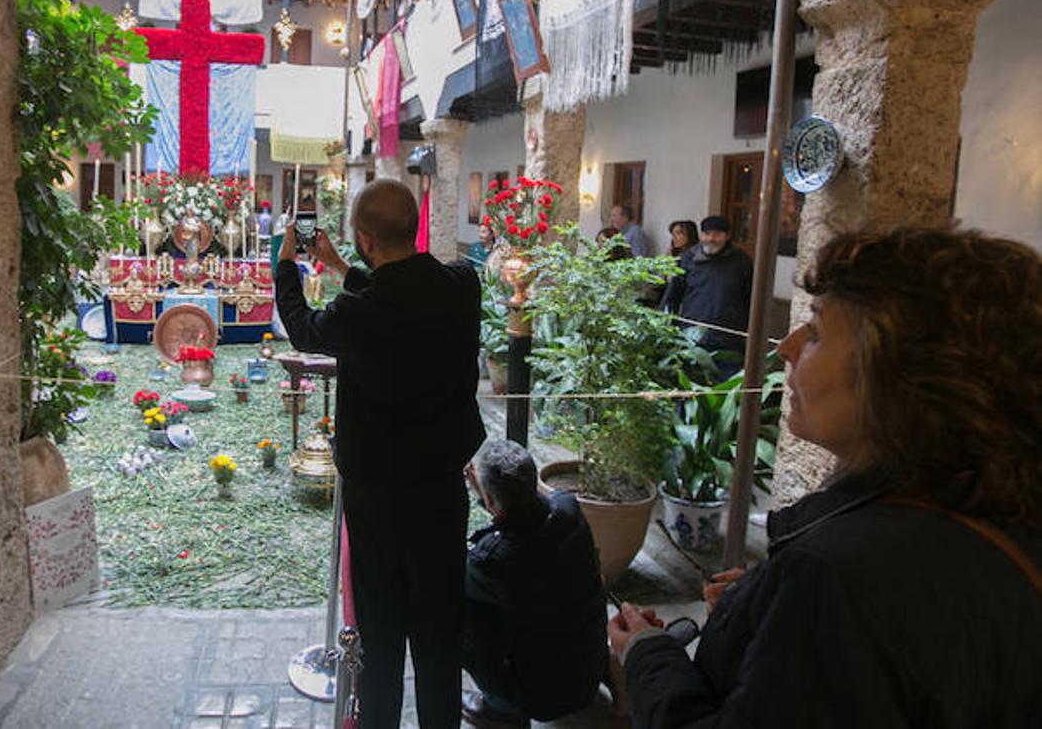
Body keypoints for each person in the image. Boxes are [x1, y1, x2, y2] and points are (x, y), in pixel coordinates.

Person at [610, 227, 1042, 728]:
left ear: (901, 374)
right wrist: (765, 604)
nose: (785, 347)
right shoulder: (993, 512)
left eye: (814, 332)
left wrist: (646, 652)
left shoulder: (839, 579)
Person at [275, 178, 486, 728]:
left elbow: (302, 330)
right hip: (441, 491)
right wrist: (344, 267)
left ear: (365, 240)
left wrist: (287, 264)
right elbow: (407, 291)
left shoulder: (353, 317)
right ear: (414, 228)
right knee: (439, 630)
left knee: (381, 632)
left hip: (377, 501)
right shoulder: (464, 286)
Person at [462, 440, 607, 728]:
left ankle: (500, 707)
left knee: (460, 619)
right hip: (587, 673)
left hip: (537, 699)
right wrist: (489, 495)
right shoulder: (570, 510)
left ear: (490, 503)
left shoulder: (490, 560)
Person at [659, 215, 751, 355]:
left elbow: (751, 298)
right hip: (691, 335)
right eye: (706, 234)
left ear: (727, 236)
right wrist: (662, 325)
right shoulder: (688, 259)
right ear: (701, 235)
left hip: (729, 339)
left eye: (717, 235)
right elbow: (672, 296)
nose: (711, 239)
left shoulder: (741, 261)